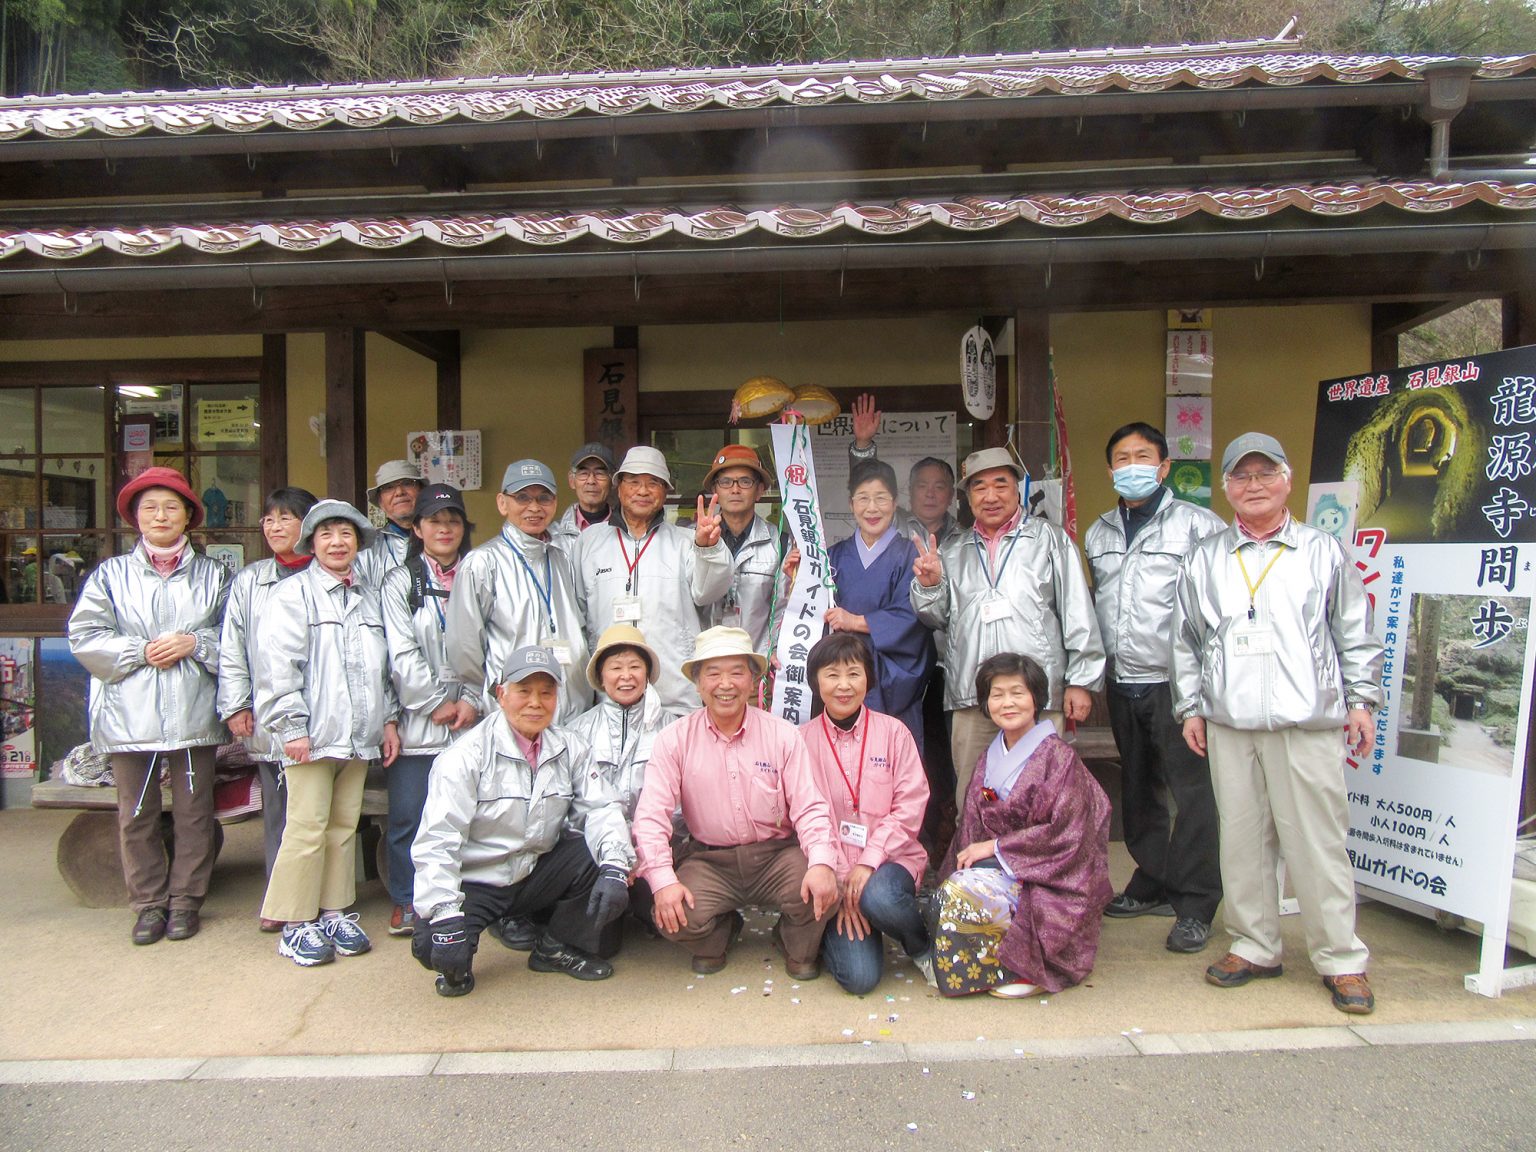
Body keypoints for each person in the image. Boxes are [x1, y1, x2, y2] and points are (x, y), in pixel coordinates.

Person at [1172, 432, 1383, 1015]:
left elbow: (1355, 633)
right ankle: (1254, 945)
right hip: (1230, 722)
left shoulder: (1322, 550)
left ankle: (1340, 958)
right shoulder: (1205, 557)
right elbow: (1186, 641)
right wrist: (1190, 707)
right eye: (1241, 476)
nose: (1254, 485)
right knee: (1241, 842)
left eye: (1265, 473)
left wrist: (1362, 701)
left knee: (1318, 843)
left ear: (1287, 480)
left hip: (1306, 721)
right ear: (1226, 488)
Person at [410, 646, 635, 996]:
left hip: (534, 870)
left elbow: (601, 807)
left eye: (546, 693)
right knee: (432, 947)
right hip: (477, 881)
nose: (535, 703)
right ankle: (466, 941)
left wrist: (616, 867)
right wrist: (444, 915)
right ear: (501, 695)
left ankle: (554, 947)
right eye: (524, 691)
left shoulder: (570, 747)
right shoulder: (464, 757)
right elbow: (439, 839)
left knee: (595, 857)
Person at [68, 466, 231, 945]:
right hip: (128, 714)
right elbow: (85, 636)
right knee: (136, 812)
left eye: (171, 507)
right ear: (135, 517)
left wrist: (196, 643)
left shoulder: (215, 575)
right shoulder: (110, 576)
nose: (161, 516)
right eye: (150, 508)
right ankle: (148, 904)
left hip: (194, 710)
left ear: (188, 516)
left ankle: (186, 901)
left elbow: (238, 637)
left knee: (194, 812)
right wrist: (138, 651)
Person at [1083, 422, 1226, 954]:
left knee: (1193, 794)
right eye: (1122, 458)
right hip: (1123, 681)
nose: (1133, 466)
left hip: (1177, 684)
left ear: (1164, 467)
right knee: (1140, 789)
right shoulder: (1098, 533)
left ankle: (1195, 902)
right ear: (1110, 470)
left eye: (1143, 457)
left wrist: (1203, 686)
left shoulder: (1199, 526)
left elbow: (1217, 609)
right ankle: (1152, 879)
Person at [633, 626, 840, 978]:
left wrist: (821, 862)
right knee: (671, 915)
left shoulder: (783, 735)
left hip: (777, 856)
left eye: (736, 672)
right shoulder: (673, 740)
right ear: (698, 684)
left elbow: (810, 807)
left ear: (753, 680)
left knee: (823, 888)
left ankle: (791, 939)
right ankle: (721, 932)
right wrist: (663, 881)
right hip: (710, 860)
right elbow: (651, 817)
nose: (725, 684)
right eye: (713, 673)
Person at [911, 447, 1106, 805]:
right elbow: (936, 619)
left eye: (1000, 484)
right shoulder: (953, 550)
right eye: (979, 487)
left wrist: (1081, 680)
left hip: (1036, 694)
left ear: (1017, 488)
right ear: (967, 497)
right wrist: (929, 586)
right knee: (974, 799)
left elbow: (1078, 611)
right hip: (972, 694)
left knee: (1041, 799)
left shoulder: (1049, 540)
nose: (990, 496)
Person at [255, 499, 401, 968]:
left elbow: (383, 669)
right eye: (327, 534)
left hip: (358, 736)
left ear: (358, 542)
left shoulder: (368, 596)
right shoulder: (292, 594)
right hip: (312, 736)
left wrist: (387, 720)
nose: (337, 543)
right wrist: (291, 727)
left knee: (342, 827)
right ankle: (295, 921)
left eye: (346, 534)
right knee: (306, 826)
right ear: (312, 543)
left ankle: (334, 912)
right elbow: (278, 668)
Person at [931, 652, 1112, 998]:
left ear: (1036, 698)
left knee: (963, 892)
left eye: (1017, 693)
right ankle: (993, 962)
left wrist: (997, 848)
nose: (1007, 703)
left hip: (1050, 876)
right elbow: (972, 825)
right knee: (950, 892)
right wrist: (967, 862)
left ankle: (1025, 970)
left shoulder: (1059, 758)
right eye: (997, 695)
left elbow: (1067, 834)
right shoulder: (990, 755)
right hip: (1001, 868)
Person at [800, 632, 934, 994]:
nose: (844, 685)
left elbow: (910, 805)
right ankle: (833, 932)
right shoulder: (801, 741)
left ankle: (921, 946)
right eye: (832, 675)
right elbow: (805, 816)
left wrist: (869, 862)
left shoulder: (894, 733)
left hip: (890, 862)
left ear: (868, 678)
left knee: (880, 897)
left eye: (854, 673)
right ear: (815, 681)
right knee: (859, 979)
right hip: (834, 871)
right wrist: (843, 882)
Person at [379, 483, 480, 938]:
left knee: (469, 815)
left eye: (453, 520)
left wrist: (472, 700)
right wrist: (436, 703)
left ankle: (465, 897)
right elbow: (399, 652)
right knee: (408, 817)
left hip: (471, 723)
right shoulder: (399, 582)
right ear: (417, 529)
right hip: (418, 725)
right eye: (434, 521)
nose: (444, 529)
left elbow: (493, 641)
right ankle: (407, 898)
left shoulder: (477, 573)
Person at [218, 485, 319, 929]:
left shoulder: (330, 572)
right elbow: (233, 646)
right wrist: (236, 703)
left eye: (286, 517)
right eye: (270, 519)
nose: (275, 527)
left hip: (323, 713)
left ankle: (322, 897)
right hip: (270, 714)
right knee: (278, 810)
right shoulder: (250, 580)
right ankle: (281, 902)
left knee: (318, 813)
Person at [574, 446, 732, 711]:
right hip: (609, 694)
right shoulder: (589, 542)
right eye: (634, 482)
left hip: (675, 692)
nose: (643, 491)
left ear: (665, 491)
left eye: (653, 483)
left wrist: (708, 548)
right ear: (619, 487)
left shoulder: (686, 541)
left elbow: (708, 592)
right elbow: (578, 614)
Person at [562, 623, 687, 942]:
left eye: (635, 666)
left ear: (648, 673)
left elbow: (681, 807)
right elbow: (573, 809)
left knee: (676, 924)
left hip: (657, 852)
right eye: (616, 668)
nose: (626, 676)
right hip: (601, 854)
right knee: (601, 941)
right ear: (601, 677)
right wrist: (616, 854)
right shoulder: (577, 732)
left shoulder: (673, 729)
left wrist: (643, 852)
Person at [444, 460, 592, 723]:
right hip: (516, 711)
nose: (534, 507)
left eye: (544, 497)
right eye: (522, 497)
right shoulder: (482, 563)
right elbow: (464, 647)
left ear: (555, 503)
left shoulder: (562, 558)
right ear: (502, 503)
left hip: (574, 710)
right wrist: (493, 690)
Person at [700, 444, 781, 657]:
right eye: (726, 482)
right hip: (705, 661)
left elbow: (782, 607)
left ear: (760, 490)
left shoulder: (780, 542)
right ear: (715, 490)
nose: (735, 489)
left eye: (745, 482)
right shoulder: (693, 539)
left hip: (757, 661)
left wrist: (774, 651)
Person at [354, 460, 422, 589]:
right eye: (389, 487)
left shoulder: (443, 538)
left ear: (422, 491)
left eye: (407, 483)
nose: (399, 492)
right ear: (380, 502)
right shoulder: (366, 549)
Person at [550, 442, 615, 555]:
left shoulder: (627, 531)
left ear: (613, 481)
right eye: (584, 473)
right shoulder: (552, 535)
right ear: (571, 480)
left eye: (600, 473)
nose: (591, 481)